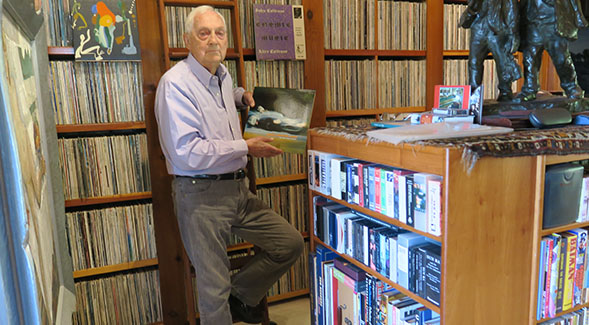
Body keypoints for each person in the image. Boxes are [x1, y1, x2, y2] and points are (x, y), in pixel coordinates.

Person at [154, 5, 304, 324]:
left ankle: (240, 296)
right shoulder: (174, 84)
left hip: (238, 190)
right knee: (213, 290)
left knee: (288, 243)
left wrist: (240, 96)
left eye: (219, 33)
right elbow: (186, 152)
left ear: (227, 39)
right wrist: (245, 146)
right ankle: (228, 301)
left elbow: (219, 99)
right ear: (187, 40)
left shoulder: (221, 75)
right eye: (203, 33)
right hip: (200, 195)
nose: (213, 40)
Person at [516, 0, 588, 102]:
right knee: (530, 59)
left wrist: (578, 16)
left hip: (554, 23)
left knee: (561, 59)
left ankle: (571, 87)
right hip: (533, 23)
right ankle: (529, 89)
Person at [459, 0, 521, 101]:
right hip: (478, 29)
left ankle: (505, 92)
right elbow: (471, 7)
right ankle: (474, 95)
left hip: (497, 31)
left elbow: (511, 9)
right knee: (474, 62)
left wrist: (513, 32)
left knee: (502, 62)